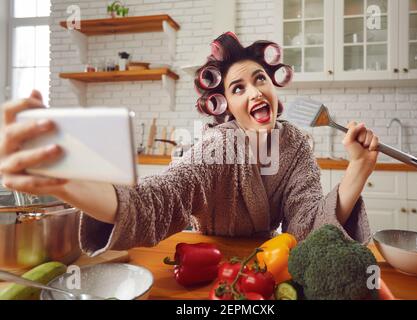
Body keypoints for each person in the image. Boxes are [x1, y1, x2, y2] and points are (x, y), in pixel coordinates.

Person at [0, 32, 379, 256]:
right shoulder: (216, 147)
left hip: (265, 266)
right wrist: (64, 181)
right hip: (202, 259)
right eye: (238, 88)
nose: (254, 92)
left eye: (260, 79)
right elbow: (159, 200)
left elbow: (309, 225)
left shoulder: (295, 145)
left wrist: (358, 169)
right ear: (227, 106)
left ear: (274, 87)